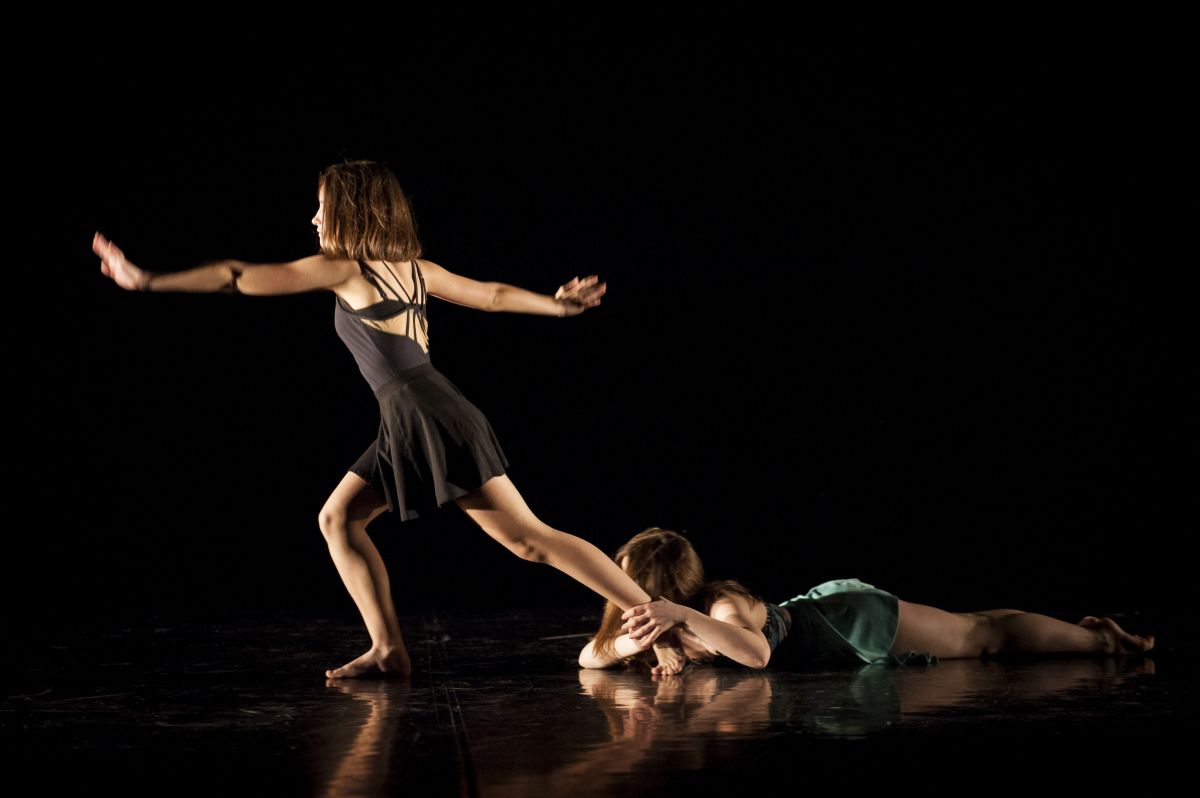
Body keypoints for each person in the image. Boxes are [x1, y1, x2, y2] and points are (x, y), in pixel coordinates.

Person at [93, 159, 673, 679]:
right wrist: (556, 306)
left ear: (351, 210)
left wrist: (146, 280)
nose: (314, 219)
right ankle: (388, 650)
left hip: (427, 413)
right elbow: (493, 295)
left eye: (322, 207)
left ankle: (658, 619)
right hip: (413, 412)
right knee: (339, 519)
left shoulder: (345, 269)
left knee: (530, 541)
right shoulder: (416, 269)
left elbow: (236, 274)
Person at [579, 528, 1156, 675]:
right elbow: (591, 658)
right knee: (978, 626)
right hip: (827, 621)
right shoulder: (659, 618)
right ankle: (1086, 632)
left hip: (847, 621)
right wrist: (644, 641)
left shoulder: (719, 604)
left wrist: (682, 620)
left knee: (984, 638)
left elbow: (756, 655)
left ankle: (1101, 641)